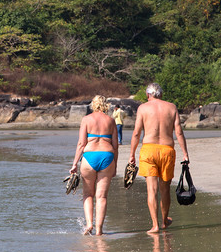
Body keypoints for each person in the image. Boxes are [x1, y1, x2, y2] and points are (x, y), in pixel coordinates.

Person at [128, 83, 190, 234]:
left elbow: (136, 133)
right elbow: (179, 132)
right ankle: (164, 221)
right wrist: (185, 153)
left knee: (151, 190)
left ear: (148, 95)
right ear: (161, 95)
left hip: (148, 150)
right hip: (167, 150)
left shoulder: (143, 108)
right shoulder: (172, 107)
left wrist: (132, 154)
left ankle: (154, 225)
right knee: (165, 189)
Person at [69, 95, 119, 236]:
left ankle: (89, 224)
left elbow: (81, 144)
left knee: (87, 194)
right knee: (102, 196)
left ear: (93, 105)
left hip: (89, 157)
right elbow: (115, 146)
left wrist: (74, 164)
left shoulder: (86, 119)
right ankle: (99, 230)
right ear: (105, 105)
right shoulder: (111, 121)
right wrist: (114, 165)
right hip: (107, 157)